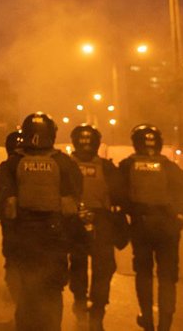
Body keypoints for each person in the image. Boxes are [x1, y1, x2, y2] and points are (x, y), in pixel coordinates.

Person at [0, 112, 82, 331]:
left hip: (23, 238)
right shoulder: (64, 163)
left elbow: (0, 199)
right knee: (52, 291)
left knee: (25, 292)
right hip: (55, 237)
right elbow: (75, 200)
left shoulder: (13, 163)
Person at [118, 125, 183, 331]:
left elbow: (119, 195)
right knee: (167, 277)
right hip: (167, 228)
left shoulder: (127, 165)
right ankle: (165, 322)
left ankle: (146, 318)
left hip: (142, 226)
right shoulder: (169, 166)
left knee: (144, 273)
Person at [68, 124, 122, 331]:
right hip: (97, 221)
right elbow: (120, 194)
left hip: (83, 220)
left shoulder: (67, 165)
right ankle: (94, 311)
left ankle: (85, 307)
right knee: (99, 268)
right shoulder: (106, 167)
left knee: (81, 265)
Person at [0, 129, 23, 302]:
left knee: (13, 260)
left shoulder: (2, 169)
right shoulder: (45, 166)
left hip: (11, 225)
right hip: (38, 226)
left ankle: (16, 299)